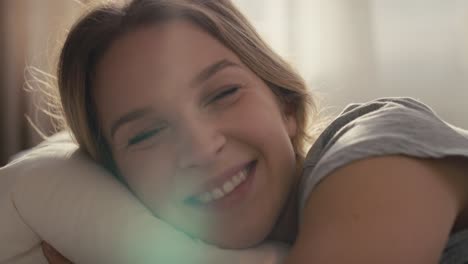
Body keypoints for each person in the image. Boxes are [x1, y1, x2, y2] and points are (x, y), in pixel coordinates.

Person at [41, 0, 468, 263]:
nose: (202, 148)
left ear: (286, 106)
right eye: (146, 134)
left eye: (223, 93)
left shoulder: (377, 146)